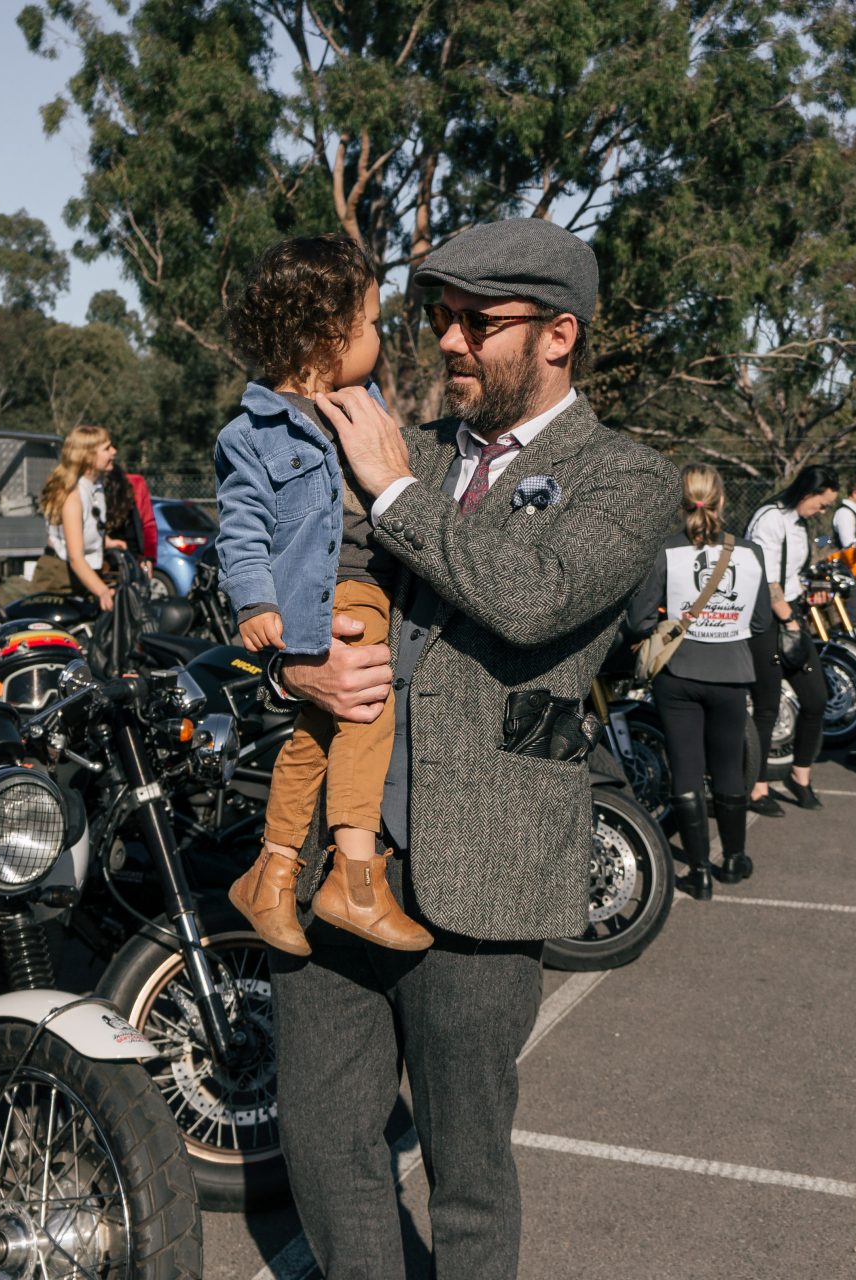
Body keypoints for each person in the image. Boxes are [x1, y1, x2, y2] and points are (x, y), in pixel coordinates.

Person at [259, 217, 676, 1280]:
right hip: (335, 862)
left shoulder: (623, 479)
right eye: (439, 316)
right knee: (321, 1138)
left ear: (557, 336)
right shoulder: (411, 446)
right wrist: (288, 665)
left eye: (476, 322)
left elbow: (533, 603)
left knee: (468, 1171)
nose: (446, 340)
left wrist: (397, 494)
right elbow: (288, 559)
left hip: (488, 871)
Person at [215, 233, 430, 955]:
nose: (379, 336)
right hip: (329, 594)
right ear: (323, 338)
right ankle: (354, 874)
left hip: (370, 587)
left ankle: (272, 874)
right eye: (369, 324)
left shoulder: (364, 408)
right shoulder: (250, 434)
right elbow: (239, 527)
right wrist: (254, 602)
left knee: (318, 736)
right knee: (369, 707)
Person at [625, 464, 770, 898]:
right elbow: (761, 621)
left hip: (678, 674)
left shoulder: (666, 551)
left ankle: (700, 872)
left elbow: (638, 620)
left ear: (681, 503)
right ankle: (735, 858)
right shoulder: (750, 553)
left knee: (685, 770)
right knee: (728, 768)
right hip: (731, 673)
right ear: (722, 501)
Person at [742, 465, 837, 813]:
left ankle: (800, 776)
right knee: (767, 706)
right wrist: (789, 619)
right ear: (807, 492)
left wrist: (811, 591)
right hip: (767, 616)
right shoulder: (769, 518)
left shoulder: (802, 522)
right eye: (822, 504)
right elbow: (763, 574)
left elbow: (812, 551)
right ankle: (758, 786)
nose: (823, 511)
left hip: (792, 611)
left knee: (816, 699)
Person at [34, 426, 128, 610]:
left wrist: (106, 541)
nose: (114, 451)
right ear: (88, 457)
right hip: (59, 580)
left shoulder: (95, 487)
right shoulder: (73, 497)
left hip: (83, 574)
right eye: (107, 448)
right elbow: (76, 557)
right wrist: (101, 590)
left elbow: (88, 525)